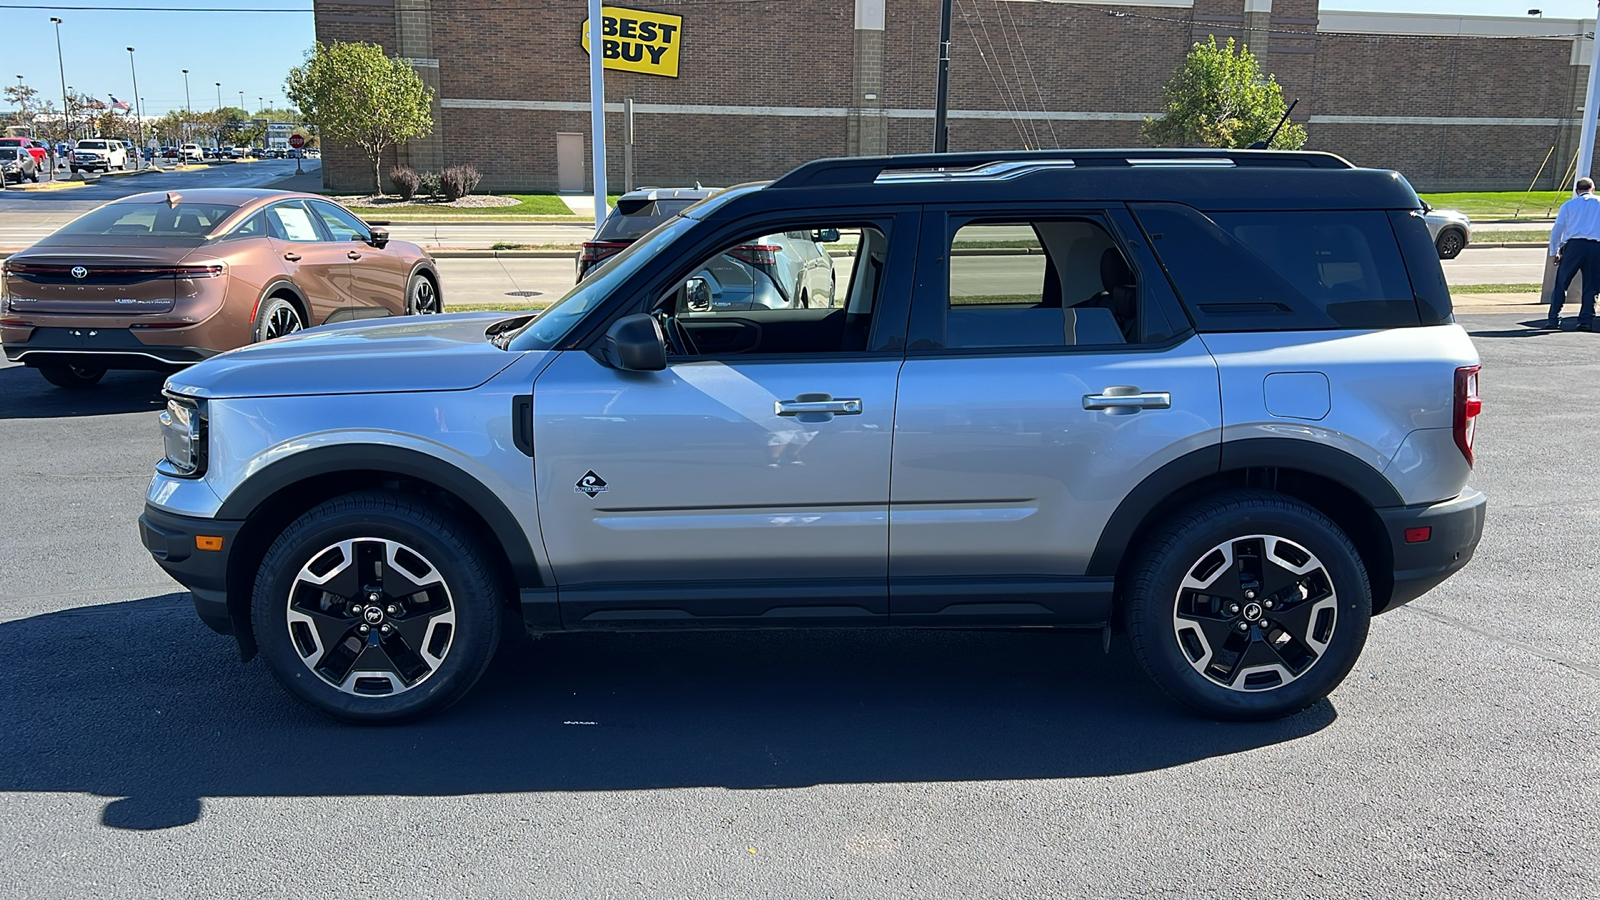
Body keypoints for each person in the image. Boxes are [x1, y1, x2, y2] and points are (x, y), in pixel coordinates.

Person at [1545, 177, 1600, 331]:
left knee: (1562, 282)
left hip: (1574, 246)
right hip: (1596, 246)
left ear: (1577, 191)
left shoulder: (1569, 205)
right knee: (1592, 285)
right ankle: (1585, 320)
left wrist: (1554, 251)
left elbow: (1558, 229)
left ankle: (1554, 318)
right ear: (1593, 189)